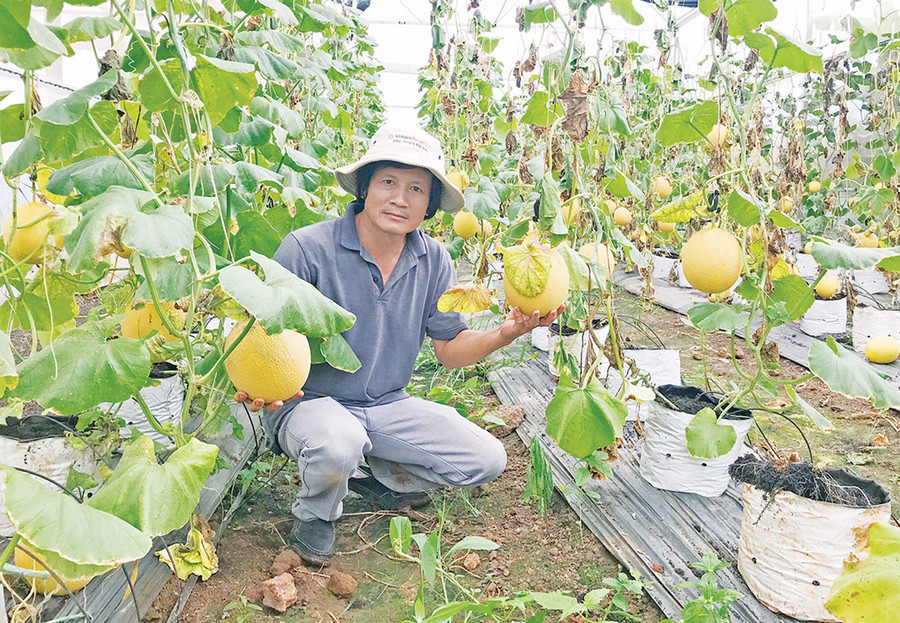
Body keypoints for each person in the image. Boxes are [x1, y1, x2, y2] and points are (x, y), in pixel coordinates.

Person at [236, 124, 563, 565]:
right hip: (309, 403)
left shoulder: (434, 259)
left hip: (387, 405)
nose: (400, 199)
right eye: (388, 182)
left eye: (416, 189)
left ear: (429, 205)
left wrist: (505, 333)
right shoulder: (307, 249)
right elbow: (262, 333)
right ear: (366, 188)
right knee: (338, 443)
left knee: (486, 458)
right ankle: (316, 515)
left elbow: (450, 350)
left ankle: (374, 478)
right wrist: (258, 384)